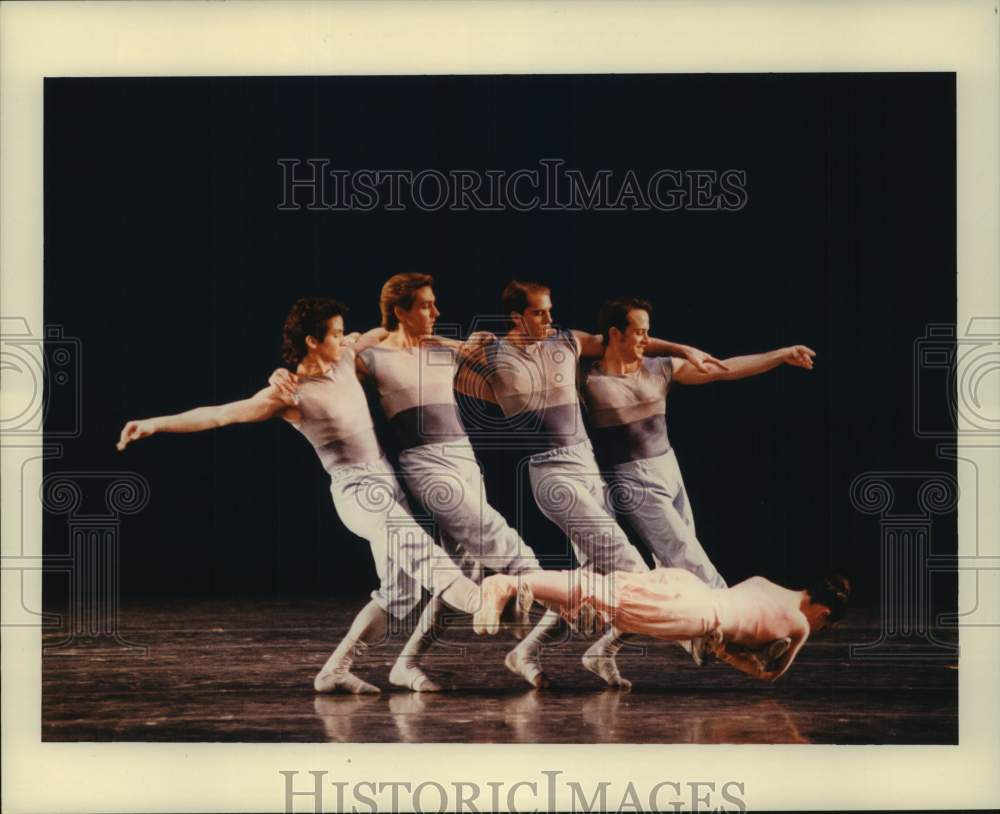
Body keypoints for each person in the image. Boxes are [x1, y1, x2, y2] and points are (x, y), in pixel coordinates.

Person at [117, 297, 523, 694]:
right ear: (312, 340)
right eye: (336, 333)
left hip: (388, 485)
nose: (345, 339)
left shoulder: (345, 357)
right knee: (413, 542)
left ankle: (334, 671)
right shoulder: (288, 393)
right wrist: (155, 424)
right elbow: (221, 413)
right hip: (357, 491)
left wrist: (460, 345)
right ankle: (479, 599)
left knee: (400, 593)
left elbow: (394, 334)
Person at [272, 275, 551, 691]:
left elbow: (497, 378)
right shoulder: (370, 357)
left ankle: (404, 663)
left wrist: (489, 348)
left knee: (457, 571)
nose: (436, 313)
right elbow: (324, 363)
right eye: (425, 305)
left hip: (464, 460)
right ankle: (551, 613)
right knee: (499, 543)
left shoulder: (441, 348)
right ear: (400, 311)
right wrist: (282, 373)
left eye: (434, 304)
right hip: (424, 463)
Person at [476, 280, 728, 688]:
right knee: (628, 564)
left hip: (589, 468)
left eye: (549, 310)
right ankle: (691, 636)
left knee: (595, 578)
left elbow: (629, 341)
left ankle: (531, 652)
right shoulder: (494, 353)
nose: (549, 318)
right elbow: (432, 354)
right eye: (539, 312)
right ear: (516, 317)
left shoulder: (565, 343)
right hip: (552, 472)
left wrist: (681, 350)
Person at [580, 296, 816, 687]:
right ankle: (747, 643)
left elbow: (723, 369)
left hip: (668, 469)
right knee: (692, 564)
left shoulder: (659, 369)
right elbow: (564, 348)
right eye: (637, 332)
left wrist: (779, 354)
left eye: (647, 332)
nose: (645, 339)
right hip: (630, 480)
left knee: (674, 577)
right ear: (614, 334)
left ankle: (603, 650)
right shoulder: (588, 379)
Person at [474, 568, 850, 682]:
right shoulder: (800, 624)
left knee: (607, 596)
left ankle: (524, 588)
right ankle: (507, 584)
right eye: (825, 625)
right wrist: (732, 657)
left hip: (689, 586)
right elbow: (769, 674)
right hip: (698, 613)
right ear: (825, 613)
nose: (819, 630)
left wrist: (726, 649)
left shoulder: (765, 582)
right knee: (611, 600)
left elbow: (742, 617)